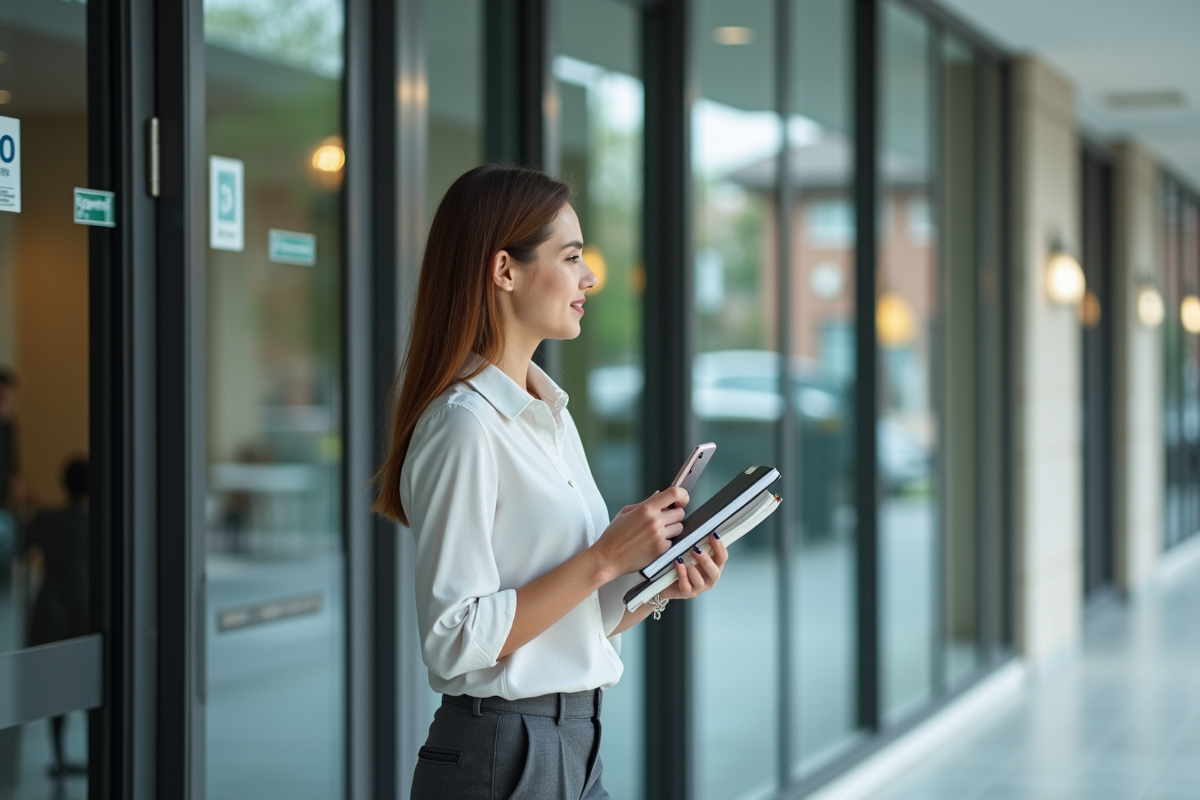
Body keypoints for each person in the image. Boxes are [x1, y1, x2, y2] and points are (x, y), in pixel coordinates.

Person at [373, 165, 730, 799]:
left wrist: (653, 587)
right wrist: (603, 557)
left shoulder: (550, 415)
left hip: (576, 743)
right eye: (571, 257)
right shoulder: (464, 425)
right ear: (504, 270)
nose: (589, 277)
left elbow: (571, 618)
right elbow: (453, 640)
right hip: (502, 754)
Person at [23, 457, 90, 777]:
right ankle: (97, 752)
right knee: (90, 685)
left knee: (57, 690)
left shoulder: (48, 520)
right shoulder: (100, 524)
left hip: (52, 613)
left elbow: (18, 546)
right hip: (85, 614)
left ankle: (59, 756)